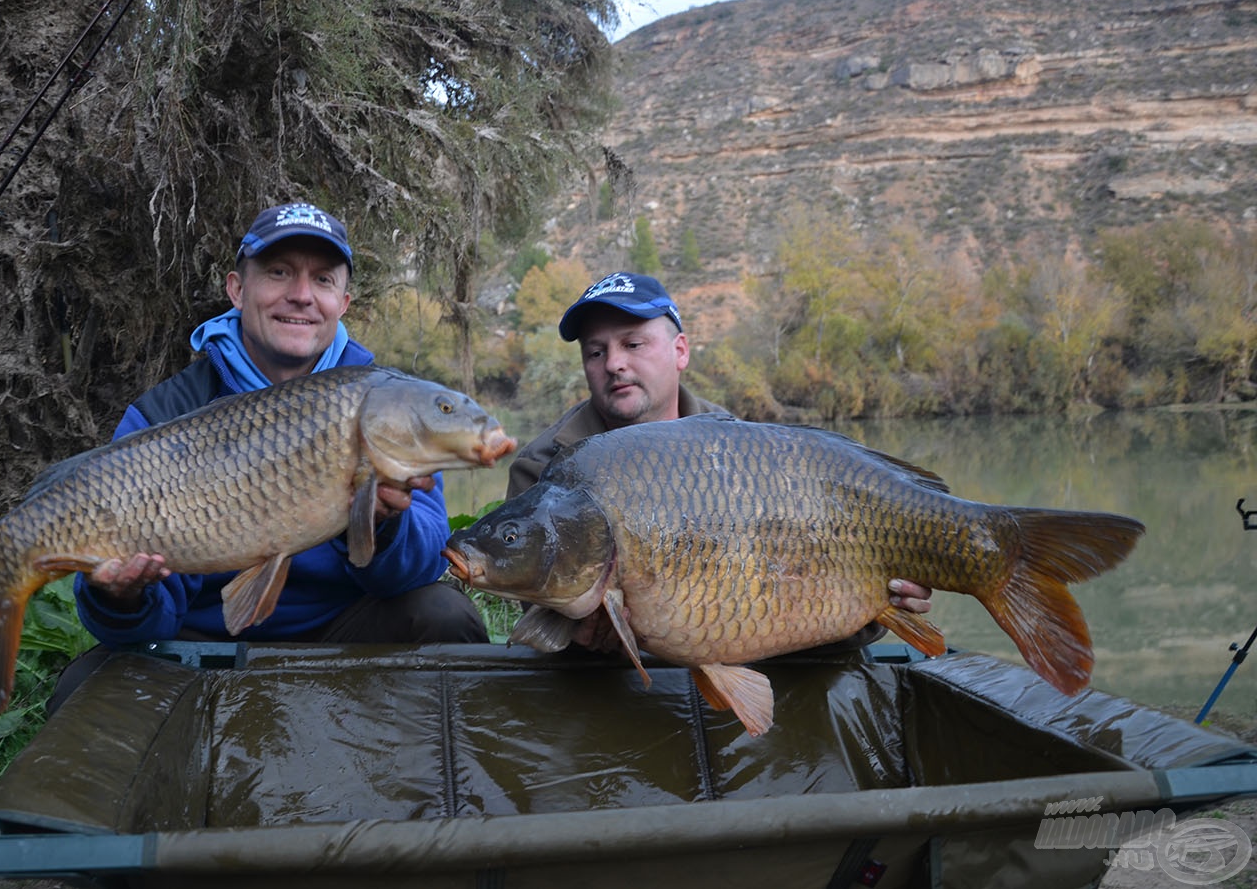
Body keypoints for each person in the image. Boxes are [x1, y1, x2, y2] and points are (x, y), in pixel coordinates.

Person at [52, 202, 486, 708]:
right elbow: (141, 624)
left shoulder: (387, 404)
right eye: (279, 273)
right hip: (204, 644)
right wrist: (118, 595)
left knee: (445, 615)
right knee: (84, 693)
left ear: (342, 302)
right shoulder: (165, 416)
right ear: (238, 288)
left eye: (322, 280)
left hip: (343, 632)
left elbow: (417, 568)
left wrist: (382, 526)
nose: (301, 295)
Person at [507, 271, 932, 649]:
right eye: (595, 352)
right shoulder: (545, 464)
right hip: (603, 693)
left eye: (633, 344)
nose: (614, 363)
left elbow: (805, 607)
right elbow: (534, 615)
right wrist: (577, 638)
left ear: (680, 352)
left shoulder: (747, 455)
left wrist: (881, 608)